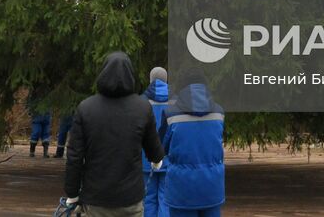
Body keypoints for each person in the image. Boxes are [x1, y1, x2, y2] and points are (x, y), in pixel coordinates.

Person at [63, 52, 164, 217]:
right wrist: (157, 160)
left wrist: (72, 194)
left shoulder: (86, 108)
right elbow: (154, 149)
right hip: (130, 199)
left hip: (96, 199)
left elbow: (74, 156)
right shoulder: (142, 107)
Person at [158, 68, 224, 217]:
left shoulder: (170, 114)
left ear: (181, 87)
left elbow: (161, 147)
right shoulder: (219, 112)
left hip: (181, 191)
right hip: (212, 189)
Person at [142, 67, 171, 217]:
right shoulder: (176, 101)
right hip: (168, 159)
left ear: (150, 80)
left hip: (146, 159)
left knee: (148, 199)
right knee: (165, 200)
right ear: (166, 80)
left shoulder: (141, 101)